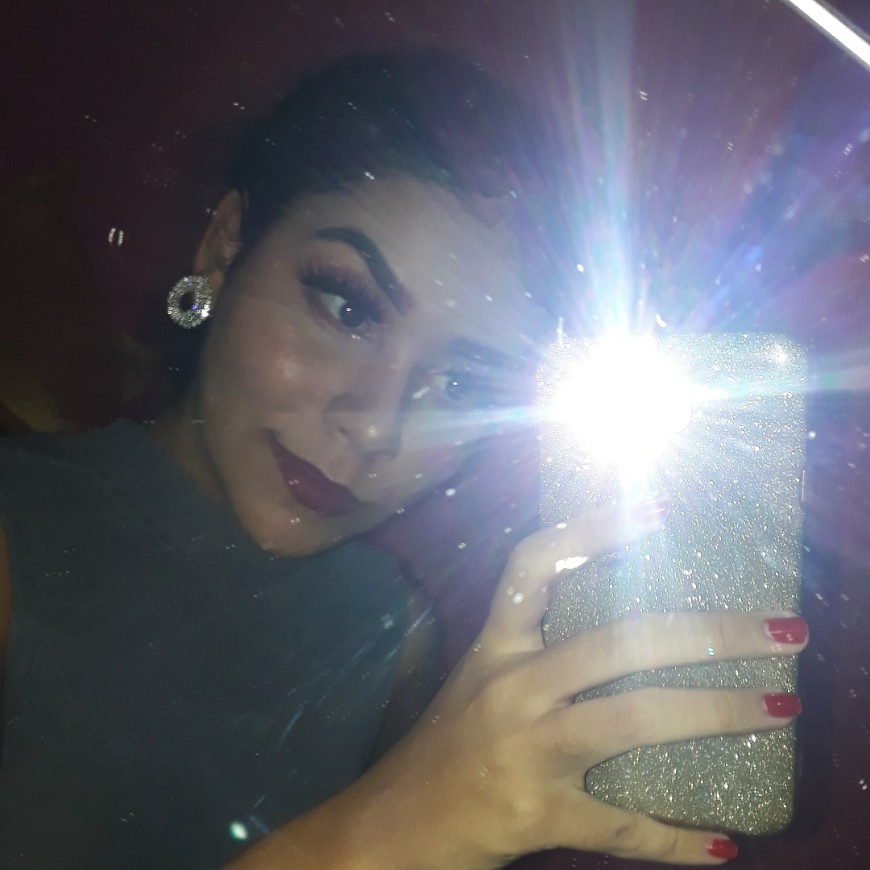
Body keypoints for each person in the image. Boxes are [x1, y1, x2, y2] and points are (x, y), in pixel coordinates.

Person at [0, 49, 808, 869]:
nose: (377, 427)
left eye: (461, 383)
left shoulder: (393, 632)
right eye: (348, 307)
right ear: (225, 244)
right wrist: (403, 826)